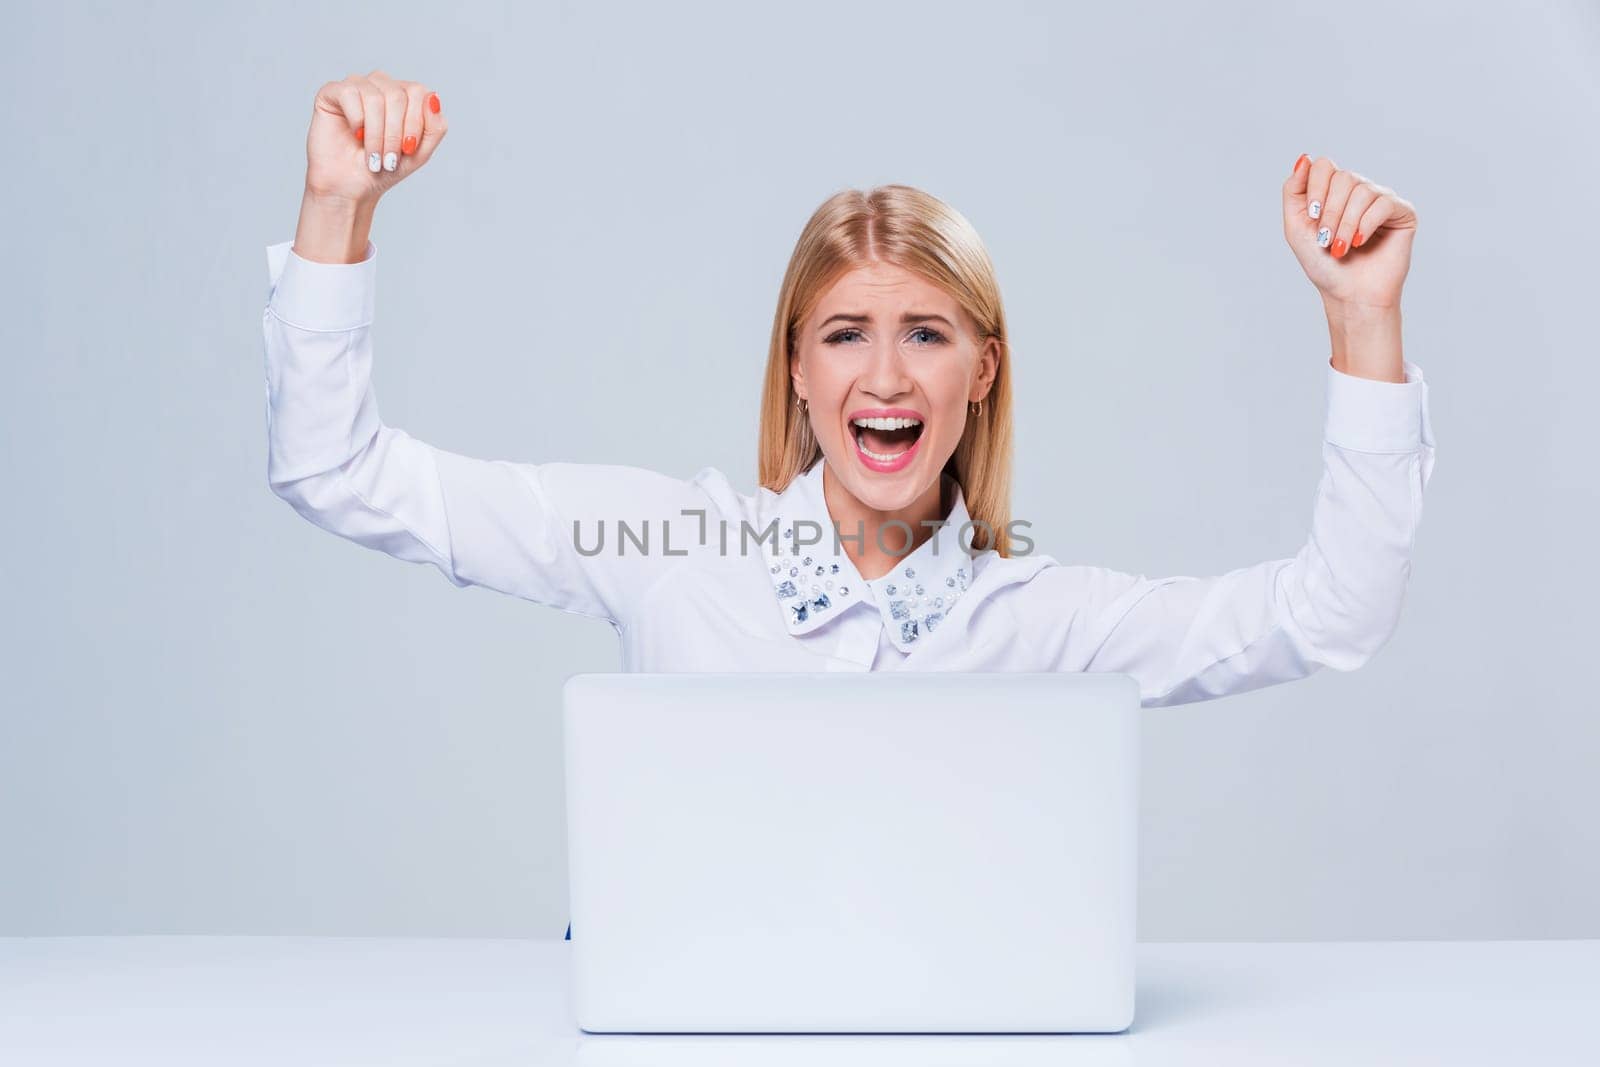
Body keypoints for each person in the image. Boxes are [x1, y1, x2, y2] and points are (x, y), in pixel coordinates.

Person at [263, 73, 1435, 724]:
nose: (883, 376)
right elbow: (338, 471)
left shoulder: (1041, 623)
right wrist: (337, 211)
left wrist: (1360, 318)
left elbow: (1328, 616)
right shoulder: (671, 549)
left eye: (925, 333)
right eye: (844, 335)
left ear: (981, 373)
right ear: (795, 369)